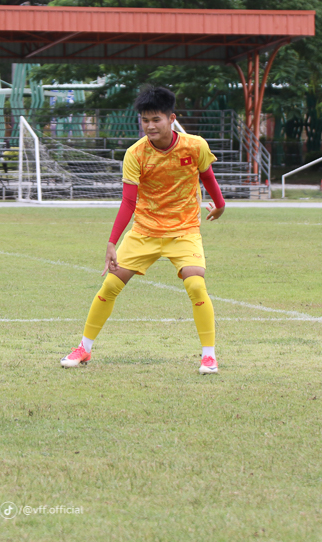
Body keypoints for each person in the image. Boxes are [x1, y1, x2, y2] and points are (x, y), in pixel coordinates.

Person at [60, 86, 226, 374]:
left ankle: (208, 356)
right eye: (145, 120)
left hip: (184, 231)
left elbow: (207, 176)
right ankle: (84, 349)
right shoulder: (135, 154)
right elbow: (128, 201)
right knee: (110, 285)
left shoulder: (195, 146)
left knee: (196, 284)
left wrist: (220, 204)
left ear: (171, 118)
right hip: (144, 232)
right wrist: (112, 242)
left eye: (156, 119)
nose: (150, 126)